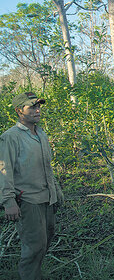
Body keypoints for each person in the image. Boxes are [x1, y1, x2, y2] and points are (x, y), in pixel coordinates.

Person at [0, 92, 64, 280]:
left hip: (47, 197)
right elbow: (4, 170)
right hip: (28, 200)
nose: (37, 110)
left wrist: (56, 191)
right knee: (34, 247)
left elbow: (47, 167)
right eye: (32, 107)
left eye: (39, 106)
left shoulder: (40, 133)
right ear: (19, 110)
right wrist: (8, 201)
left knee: (45, 241)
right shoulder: (10, 137)